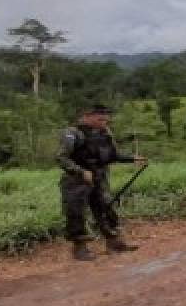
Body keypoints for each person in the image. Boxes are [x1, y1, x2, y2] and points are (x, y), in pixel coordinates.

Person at [56, 104, 146, 261]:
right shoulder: (72, 134)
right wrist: (81, 171)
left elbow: (112, 156)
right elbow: (61, 157)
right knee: (76, 213)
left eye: (105, 117)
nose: (104, 120)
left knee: (107, 208)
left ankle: (114, 242)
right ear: (86, 117)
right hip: (77, 180)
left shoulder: (105, 133)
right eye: (100, 117)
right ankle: (80, 247)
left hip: (99, 177)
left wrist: (132, 158)